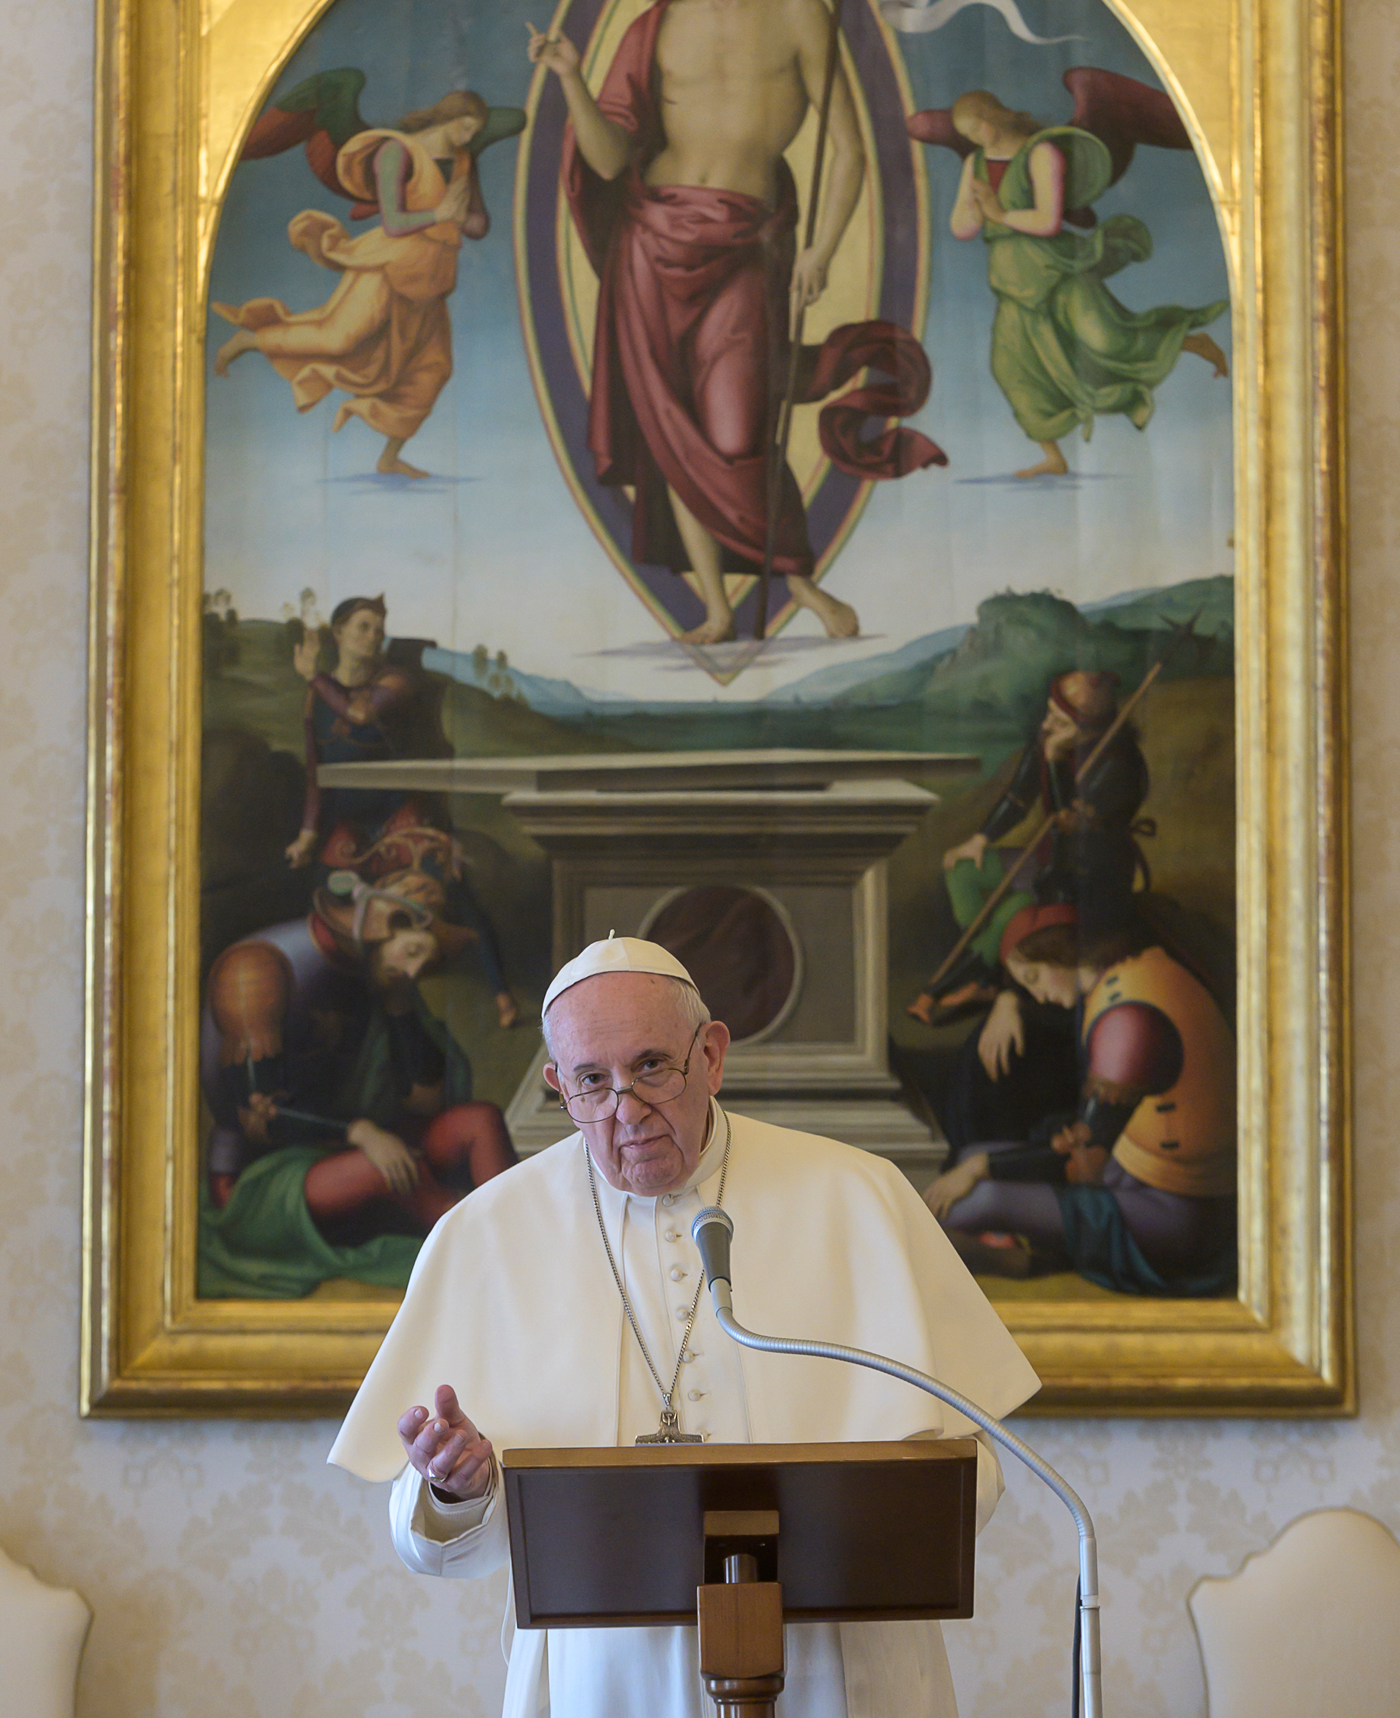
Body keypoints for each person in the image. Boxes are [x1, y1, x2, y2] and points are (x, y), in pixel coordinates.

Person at [328, 935, 1040, 1718]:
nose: (627, 1109)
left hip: (839, 1668)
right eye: (592, 1082)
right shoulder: (488, 1234)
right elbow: (430, 1542)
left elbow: (969, 1472)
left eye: (652, 1067)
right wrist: (454, 1487)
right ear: (557, 1085)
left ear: (711, 1056)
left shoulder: (858, 1196)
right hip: (605, 1680)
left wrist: (889, 1507)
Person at [530, 0, 940, 646]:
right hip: (650, 243)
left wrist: (821, 249)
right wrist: (571, 79)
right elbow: (609, 159)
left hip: (745, 245)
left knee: (733, 430)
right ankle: (719, 609)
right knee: (671, 431)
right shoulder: (656, 25)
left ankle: (801, 584)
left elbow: (849, 150)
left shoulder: (798, 13)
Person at [199, 864, 517, 1299]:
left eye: (424, 964)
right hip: (259, 1181)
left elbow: (424, 1102)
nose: (414, 972)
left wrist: (399, 1010)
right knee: (390, 1169)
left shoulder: (380, 975)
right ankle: (496, 1257)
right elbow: (259, 1116)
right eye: (412, 952)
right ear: (384, 924)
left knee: (479, 1121)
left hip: (349, 1151)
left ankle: (513, 1233)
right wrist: (361, 1132)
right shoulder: (257, 970)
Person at [925, 905, 1237, 1296]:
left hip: (1182, 1212)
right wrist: (977, 1163)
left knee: (970, 1199)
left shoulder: (1127, 1019)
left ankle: (1025, 1259)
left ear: (1062, 951)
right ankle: (1022, 1259)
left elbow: (1084, 1156)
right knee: (969, 1158)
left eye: (1035, 978)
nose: (1037, 995)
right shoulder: (1133, 972)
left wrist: (980, 1168)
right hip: (1137, 1168)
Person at [947, 89, 1229, 479]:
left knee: (1107, 339)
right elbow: (961, 228)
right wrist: (973, 209)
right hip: (1012, 279)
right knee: (1011, 367)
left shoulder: (1041, 153)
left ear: (991, 117)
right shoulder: (974, 163)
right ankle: (1053, 457)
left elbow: (1047, 221)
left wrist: (999, 213)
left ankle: (1192, 341)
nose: (974, 139)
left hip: (1057, 270)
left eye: (975, 129)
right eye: (967, 135)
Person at [213, 89, 493, 478]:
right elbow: (394, 223)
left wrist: (462, 219)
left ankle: (389, 458)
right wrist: (440, 214)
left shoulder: (463, 162)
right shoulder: (396, 153)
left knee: (431, 370)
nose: (467, 138)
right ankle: (250, 339)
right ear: (447, 117)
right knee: (338, 338)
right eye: (464, 128)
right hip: (388, 264)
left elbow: (479, 223)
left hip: (431, 278)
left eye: (473, 132)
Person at [286, 590, 518, 1025]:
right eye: (363, 627)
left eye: (379, 629)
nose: (373, 636)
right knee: (326, 893)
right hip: (350, 822)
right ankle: (353, 1002)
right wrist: (307, 834)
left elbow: (358, 714)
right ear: (338, 633)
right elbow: (315, 769)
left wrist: (313, 676)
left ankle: (500, 991)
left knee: (453, 888)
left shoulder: (394, 682)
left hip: (399, 813)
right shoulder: (316, 697)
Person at [908, 668, 1149, 1029]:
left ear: (1088, 730)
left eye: (1060, 721)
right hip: (1046, 858)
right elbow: (1018, 798)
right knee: (962, 870)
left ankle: (976, 976)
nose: (1047, 725)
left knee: (1012, 912)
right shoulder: (1048, 741)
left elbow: (1068, 822)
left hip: (1088, 874)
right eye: (1049, 712)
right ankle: (990, 967)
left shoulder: (1119, 765)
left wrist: (1055, 759)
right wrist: (980, 839)